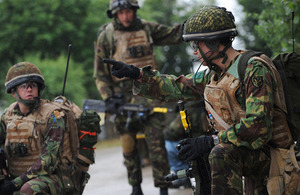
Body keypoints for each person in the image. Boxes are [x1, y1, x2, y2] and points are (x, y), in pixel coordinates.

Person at [103, 6, 294, 194]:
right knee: (202, 154)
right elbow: (179, 86)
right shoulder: (215, 75)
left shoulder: (253, 70)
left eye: (196, 44)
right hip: (248, 151)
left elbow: (258, 126)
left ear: (212, 43)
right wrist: (137, 74)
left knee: (219, 153)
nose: (194, 51)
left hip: (274, 155)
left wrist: (211, 141)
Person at [94, 0, 182, 194]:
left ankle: (163, 187)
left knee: (157, 146)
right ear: (115, 14)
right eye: (121, 13)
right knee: (128, 146)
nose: (125, 16)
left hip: (150, 96)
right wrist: (108, 98)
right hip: (122, 101)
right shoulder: (106, 36)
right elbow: (100, 74)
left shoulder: (147, 28)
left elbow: (174, 34)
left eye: (128, 11)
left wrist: (195, 27)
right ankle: (135, 187)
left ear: (134, 11)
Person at [0, 62, 99, 194]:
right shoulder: (8, 116)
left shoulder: (52, 116)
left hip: (55, 177)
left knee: (29, 190)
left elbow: (48, 161)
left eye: (33, 85)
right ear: (14, 92)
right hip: (20, 177)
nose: (29, 89)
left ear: (38, 89)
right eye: (24, 86)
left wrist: (14, 184)